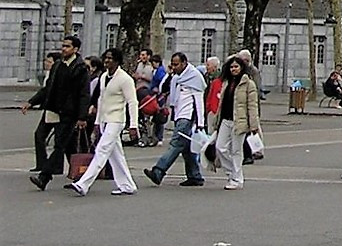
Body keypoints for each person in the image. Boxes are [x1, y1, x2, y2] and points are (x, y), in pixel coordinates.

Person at [67, 48, 140, 196]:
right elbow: (101, 100)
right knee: (116, 155)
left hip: (117, 120)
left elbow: (132, 102)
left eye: (110, 58)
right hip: (106, 119)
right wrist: (97, 122)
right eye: (105, 58)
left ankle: (83, 184)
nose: (107, 61)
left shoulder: (125, 79)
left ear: (118, 61)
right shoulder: (103, 77)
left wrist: (134, 125)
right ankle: (127, 185)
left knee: (101, 150)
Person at [24, 33, 90, 192]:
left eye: (67, 46)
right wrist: (32, 102)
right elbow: (48, 88)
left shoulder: (80, 68)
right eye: (63, 45)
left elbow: (84, 94)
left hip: (69, 113)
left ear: (75, 49)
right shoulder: (58, 65)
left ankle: (44, 176)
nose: (64, 49)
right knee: (64, 144)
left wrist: (82, 116)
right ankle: (79, 176)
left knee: (60, 144)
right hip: (53, 109)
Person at [144, 52, 207, 187]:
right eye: (172, 64)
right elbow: (163, 87)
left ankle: (159, 170)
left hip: (187, 117)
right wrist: (169, 74)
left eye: (176, 64)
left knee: (176, 144)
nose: (174, 67)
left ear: (184, 63)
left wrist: (200, 123)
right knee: (187, 148)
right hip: (179, 115)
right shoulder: (176, 78)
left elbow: (199, 102)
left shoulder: (194, 77)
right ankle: (195, 175)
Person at [209, 54, 260, 190]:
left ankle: (236, 178)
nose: (233, 69)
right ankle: (233, 173)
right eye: (231, 67)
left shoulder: (248, 84)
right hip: (226, 119)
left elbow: (252, 105)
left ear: (242, 67)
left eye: (236, 66)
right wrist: (217, 121)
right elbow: (221, 103)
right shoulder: (227, 83)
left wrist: (253, 125)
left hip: (240, 121)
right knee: (220, 147)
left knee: (237, 150)